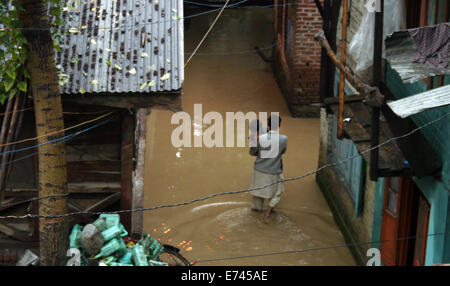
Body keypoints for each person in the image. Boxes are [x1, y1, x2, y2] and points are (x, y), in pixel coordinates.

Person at [249, 115, 287, 220]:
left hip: (259, 170)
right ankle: (269, 211)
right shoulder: (284, 139)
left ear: (268, 124)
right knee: (276, 193)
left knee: (257, 196)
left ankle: (255, 215)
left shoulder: (260, 138)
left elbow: (252, 152)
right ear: (279, 125)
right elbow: (282, 152)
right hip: (274, 171)